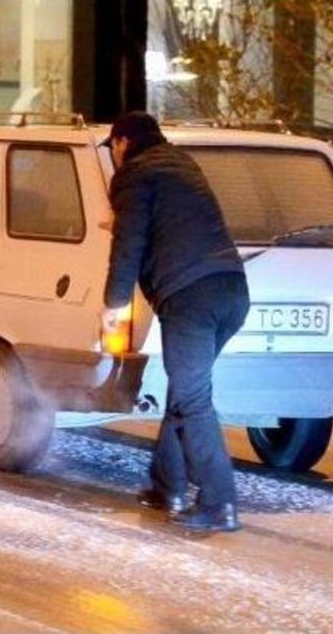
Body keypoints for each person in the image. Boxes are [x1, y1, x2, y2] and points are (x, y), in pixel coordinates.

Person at [101, 111, 250, 532]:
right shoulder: (183, 164)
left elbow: (129, 243)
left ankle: (219, 503)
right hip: (231, 290)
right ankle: (167, 485)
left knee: (193, 398)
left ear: (123, 143)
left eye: (113, 147)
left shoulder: (134, 175)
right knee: (185, 389)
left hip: (190, 299)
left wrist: (113, 304)